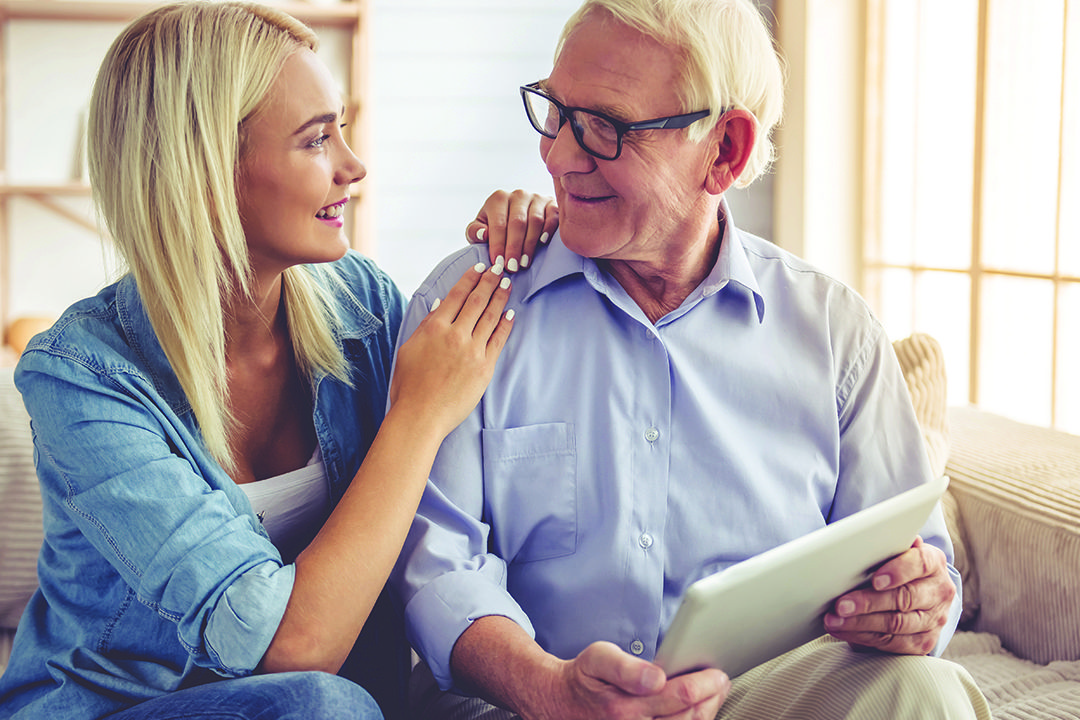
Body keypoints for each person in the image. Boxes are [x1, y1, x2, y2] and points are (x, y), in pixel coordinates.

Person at [389, 0, 993, 718]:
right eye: (555, 111)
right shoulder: (468, 307)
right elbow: (437, 573)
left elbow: (918, 567)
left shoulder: (836, 334)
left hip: (758, 701)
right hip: (531, 704)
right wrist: (551, 690)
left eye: (604, 128)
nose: (556, 155)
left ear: (726, 150)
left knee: (923, 692)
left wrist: (918, 605)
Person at [0, 3, 556, 720]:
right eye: (316, 140)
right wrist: (418, 413)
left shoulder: (363, 306)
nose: (354, 168)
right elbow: (292, 651)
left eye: (341, 132)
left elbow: (459, 500)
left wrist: (524, 250)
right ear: (203, 171)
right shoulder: (77, 375)